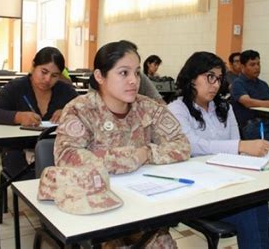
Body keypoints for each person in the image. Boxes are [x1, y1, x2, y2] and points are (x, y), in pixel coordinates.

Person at [54, 40, 190, 248]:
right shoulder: (80, 109)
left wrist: (146, 153)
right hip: (98, 212)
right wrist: (131, 158)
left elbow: (182, 145)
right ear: (99, 76)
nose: (134, 81)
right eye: (123, 73)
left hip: (144, 208)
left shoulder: (148, 107)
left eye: (136, 73)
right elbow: (67, 157)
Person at [168, 51, 269, 249]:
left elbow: (235, 143)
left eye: (218, 78)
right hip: (198, 187)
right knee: (250, 211)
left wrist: (241, 149)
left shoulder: (224, 106)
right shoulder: (176, 109)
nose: (215, 84)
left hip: (227, 182)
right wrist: (240, 146)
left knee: (259, 203)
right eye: (209, 77)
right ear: (192, 78)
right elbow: (192, 145)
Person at [0, 47, 78, 180]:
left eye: (54, 76)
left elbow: (85, 112)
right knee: (31, 182)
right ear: (33, 66)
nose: (47, 79)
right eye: (43, 72)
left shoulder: (65, 91)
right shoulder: (16, 87)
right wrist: (18, 116)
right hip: (19, 149)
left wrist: (68, 112)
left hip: (57, 150)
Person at [231, 50, 269, 144]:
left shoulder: (262, 84)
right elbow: (247, 102)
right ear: (243, 67)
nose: (257, 67)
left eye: (258, 64)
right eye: (252, 64)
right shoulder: (238, 84)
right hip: (252, 125)